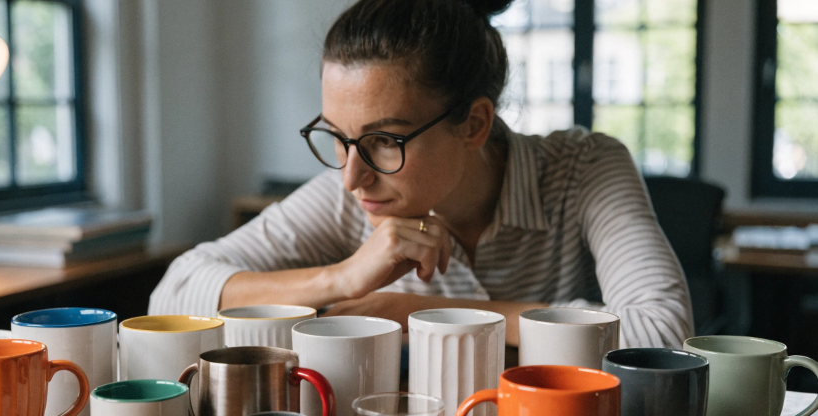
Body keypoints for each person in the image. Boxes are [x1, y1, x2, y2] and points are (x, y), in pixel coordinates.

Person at [149, 0, 693, 349]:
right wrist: (341, 278)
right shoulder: (351, 197)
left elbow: (662, 332)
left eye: (385, 140)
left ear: (475, 123)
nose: (351, 178)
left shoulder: (585, 170)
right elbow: (174, 294)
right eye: (337, 138)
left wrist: (425, 311)